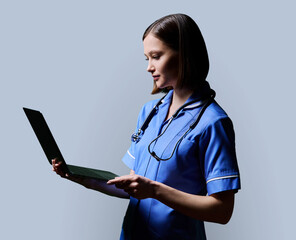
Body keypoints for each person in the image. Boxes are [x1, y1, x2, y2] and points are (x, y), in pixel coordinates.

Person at [52, 13, 240, 240]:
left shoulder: (213, 123)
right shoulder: (150, 112)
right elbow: (134, 185)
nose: (149, 67)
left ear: (185, 54)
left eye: (156, 56)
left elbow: (222, 211)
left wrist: (154, 190)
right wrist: (80, 178)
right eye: (146, 58)